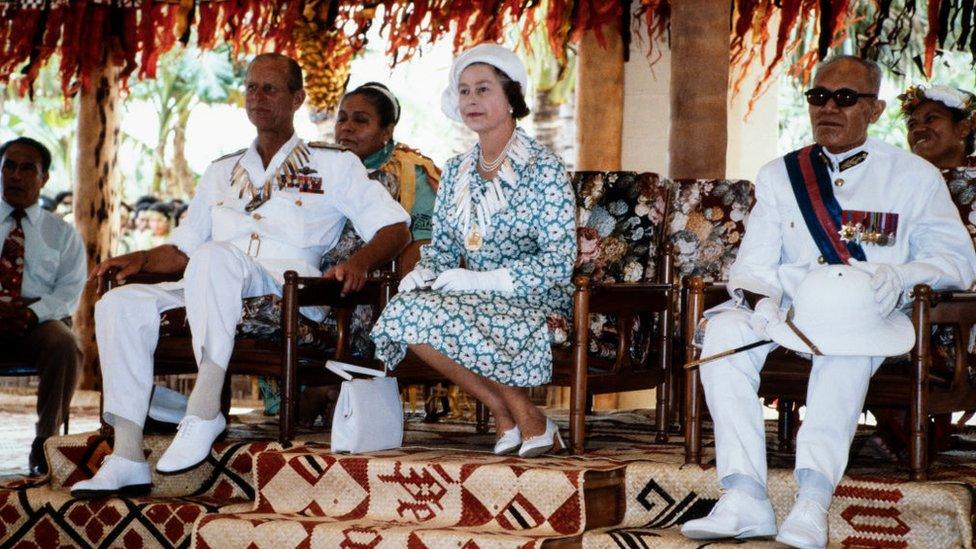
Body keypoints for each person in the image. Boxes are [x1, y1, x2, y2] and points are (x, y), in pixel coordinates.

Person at [72, 53, 411, 498]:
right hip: (213, 277)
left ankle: (204, 406)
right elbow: (182, 249)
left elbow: (396, 227)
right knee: (120, 301)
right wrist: (141, 259)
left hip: (288, 284)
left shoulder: (333, 165)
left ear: (297, 98)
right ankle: (128, 456)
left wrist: (361, 262)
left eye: (271, 88)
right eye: (252, 88)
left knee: (214, 258)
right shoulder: (221, 171)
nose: (258, 97)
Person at [680, 56, 976, 548]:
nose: (829, 108)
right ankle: (745, 494)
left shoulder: (913, 177)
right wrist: (763, 305)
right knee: (724, 333)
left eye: (845, 98)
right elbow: (753, 265)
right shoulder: (780, 175)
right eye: (819, 97)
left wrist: (904, 273)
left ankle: (813, 499)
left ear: (875, 109)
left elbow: (958, 262)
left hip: (869, 309)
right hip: (790, 309)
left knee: (846, 345)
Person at [370, 44, 577, 458]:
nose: (471, 100)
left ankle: (526, 418)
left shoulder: (543, 168)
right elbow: (444, 250)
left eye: (483, 89)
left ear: (510, 97)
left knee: (453, 312)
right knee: (404, 311)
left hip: (533, 295)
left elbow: (559, 261)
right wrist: (423, 274)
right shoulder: (457, 170)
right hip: (473, 296)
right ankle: (507, 411)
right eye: (464, 91)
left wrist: (487, 280)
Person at [259, 82, 443, 420]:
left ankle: (332, 390)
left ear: (387, 130)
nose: (346, 127)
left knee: (355, 307)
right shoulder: (317, 165)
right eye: (342, 118)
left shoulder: (410, 172)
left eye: (361, 120)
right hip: (313, 275)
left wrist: (397, 291)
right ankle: (324, 394)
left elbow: (422, 243)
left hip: (377, 283)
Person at [0, 137, 86, 476]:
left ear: (44, 177)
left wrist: (30, 313)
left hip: (37, 320)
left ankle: (46, 445)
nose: (15, 175)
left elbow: (69, 291)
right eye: (9, 166)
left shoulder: (62, 234)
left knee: (65, 344)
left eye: (27, 168)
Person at [900, 84, 976, 169]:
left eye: (931, 119)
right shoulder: (899, 179)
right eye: (912, 125)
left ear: (963, 128)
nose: (917, 129)